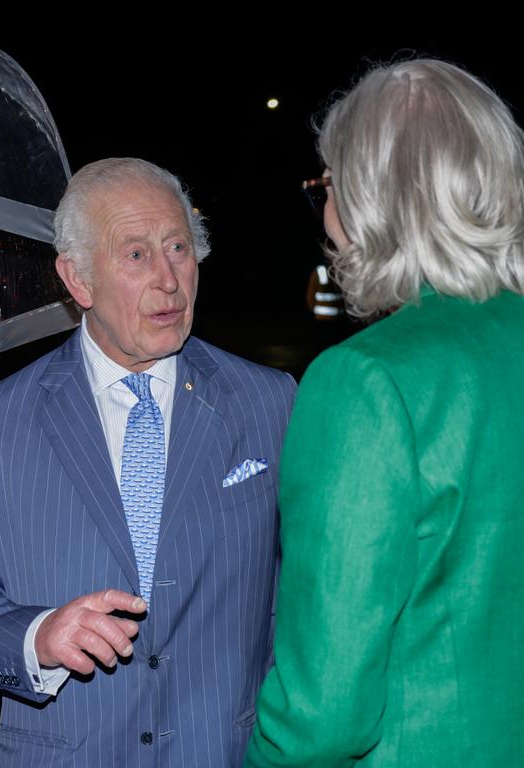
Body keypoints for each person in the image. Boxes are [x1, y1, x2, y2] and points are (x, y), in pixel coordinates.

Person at [0, 158, 296, 766]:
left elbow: (299, 595)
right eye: (137, 255)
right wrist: (37, 637)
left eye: (178, 247)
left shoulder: (270, 402)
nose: (169, 280)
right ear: (79, 280)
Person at [245, 59, 524, 767]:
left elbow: (323, 714)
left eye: (328, 186)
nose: (327, 217)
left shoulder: (365, 382)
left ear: (371, 197)